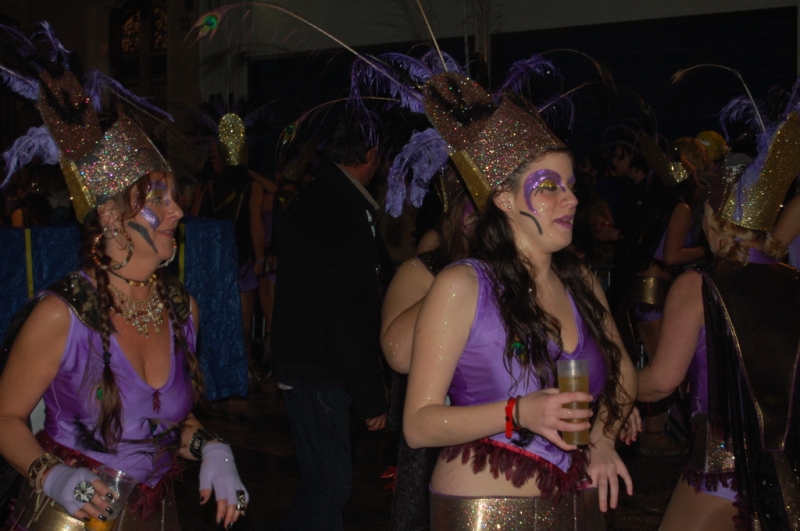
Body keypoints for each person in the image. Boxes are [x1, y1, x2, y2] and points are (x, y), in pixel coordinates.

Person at [0, 23, 247, 531]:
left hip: (154, 515)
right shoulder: (62, 313)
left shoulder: (181, 308)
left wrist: (212, 446)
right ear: (112, 217)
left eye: (174, 197)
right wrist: (52, 474)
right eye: (159, 199)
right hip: (68, 519)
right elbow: (4, 418)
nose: (178, 211)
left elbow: (163, 424)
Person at [402, 71, 636, 529]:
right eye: (549, 186)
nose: (571, 200)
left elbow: (624, 371)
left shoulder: (581, 281)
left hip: (578, 503)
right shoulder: (463, 285)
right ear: (505, 200)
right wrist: (518, 412)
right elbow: (418, 424)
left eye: (570, 185)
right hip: (486, 509)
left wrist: (604, 439)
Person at [637, 110, 800, 531]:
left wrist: (609, 383)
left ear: (714, 219)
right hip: (789, 466)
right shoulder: (794, 281)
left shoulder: (698, 284)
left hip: (724, 467)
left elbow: (660, 382)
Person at [272, 115, 389, 531]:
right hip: (320, 370)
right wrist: (370, 396)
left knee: (321, 487)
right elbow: (346, 311)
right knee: (329, 487)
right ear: (371, 155)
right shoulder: (342, 209)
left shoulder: (321, 195)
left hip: (307, 363)